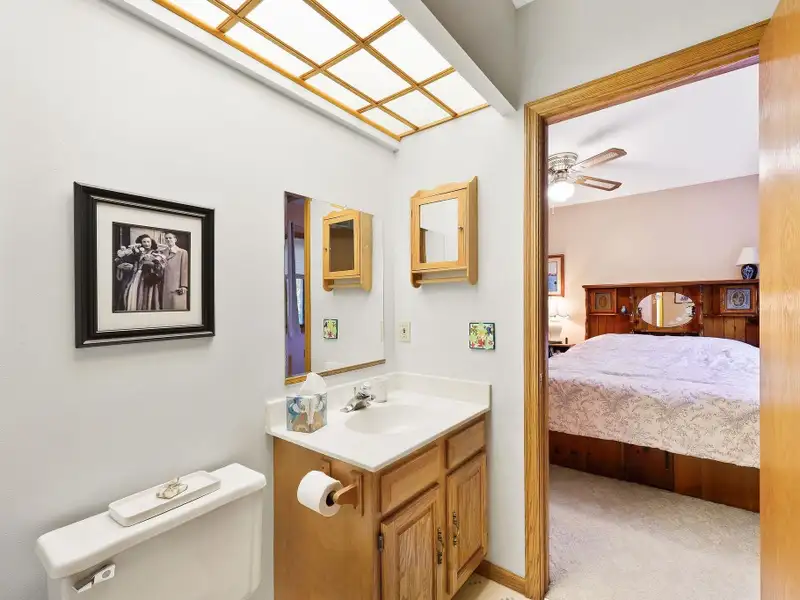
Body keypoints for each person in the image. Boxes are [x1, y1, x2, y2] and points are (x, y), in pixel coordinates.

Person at [117, 234, 165, 311]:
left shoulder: (156, 252)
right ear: (141, 243)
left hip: (150, 276)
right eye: (144, 242)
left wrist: (151, 263)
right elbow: (134, 264)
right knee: (134, 292)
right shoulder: (137, 252)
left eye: (148, 242)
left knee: (149, 295)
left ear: (151, 242)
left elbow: (160, 266)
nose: (146, 244)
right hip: (137, 276)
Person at [161, 232, 189, 310]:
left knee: (177, 307)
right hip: (165, 284)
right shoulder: (162, 252)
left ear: (175, 239)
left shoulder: (182, 252)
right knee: (166, 307)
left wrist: (183, 285)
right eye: (166, 238)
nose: (168, 240)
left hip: (176, 284)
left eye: (170, 238)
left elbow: (184, 270)